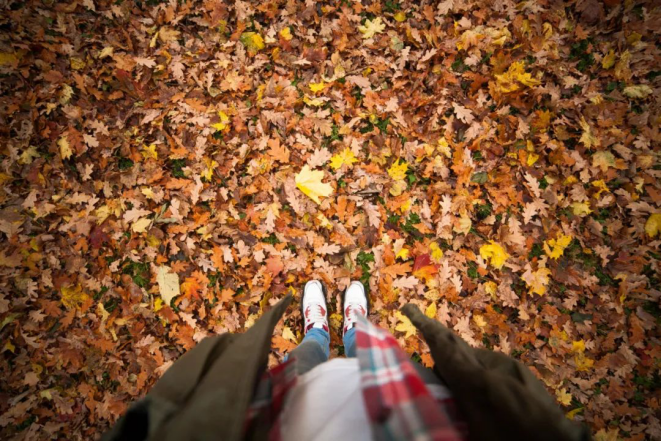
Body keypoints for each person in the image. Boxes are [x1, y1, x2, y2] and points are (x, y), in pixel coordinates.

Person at [103, 280, 591, 441]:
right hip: (424, 407)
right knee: (366, 349)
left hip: (280, 417)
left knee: (305, 361)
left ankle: (319, 330)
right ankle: (352, 325)